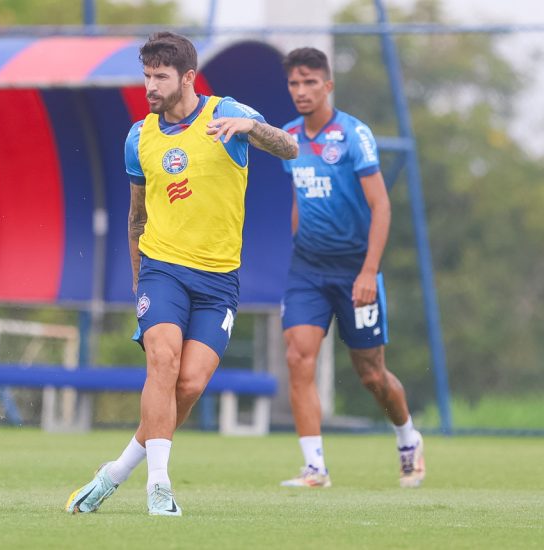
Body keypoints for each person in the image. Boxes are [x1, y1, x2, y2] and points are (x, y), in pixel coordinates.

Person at [65, 31, 298, 517]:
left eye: (160, 77)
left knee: (189, 384)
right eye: (147, 75)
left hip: (219, 280)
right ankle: (160, 487)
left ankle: (116, 472)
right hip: (162, 271)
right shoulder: (139, 137)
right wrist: (138, 280)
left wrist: (248, 128)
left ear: (188, 78)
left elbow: (290, 147)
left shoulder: (225, 113)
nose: (150, 85)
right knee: (163, 361)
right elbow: (135, 217)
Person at [278, 47, 425, 489]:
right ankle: (315, 468)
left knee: (371, 375)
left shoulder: (353, 135)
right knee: (297, 357)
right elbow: (299, 200)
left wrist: (368, 271)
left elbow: (381, 207)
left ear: (328, 85)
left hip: (354, 269)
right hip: (307, 268)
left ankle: (407, 437)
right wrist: (296, 242)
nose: (301, 92)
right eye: (293, 84)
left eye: (309, 83)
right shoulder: (287, 136)